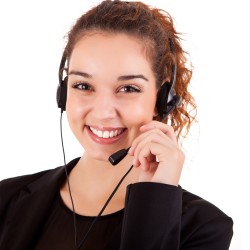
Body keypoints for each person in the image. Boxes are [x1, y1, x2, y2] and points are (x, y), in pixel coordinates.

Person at [0, 0, 233, 249]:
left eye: (128, 88)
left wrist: (155, 202)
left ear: (162, 99)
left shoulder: (204, 228)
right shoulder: (6, 199)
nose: (102, 112)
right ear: (63, 93)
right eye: (83, 85)